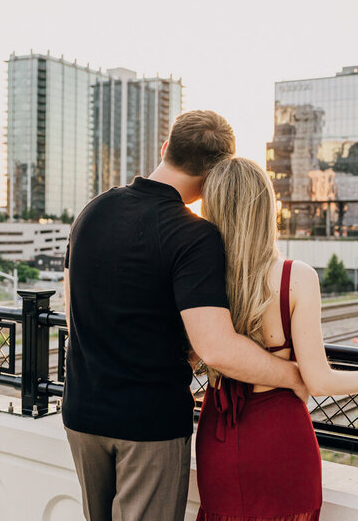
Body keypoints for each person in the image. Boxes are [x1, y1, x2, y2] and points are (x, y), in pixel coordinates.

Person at [62, 111, 308, 521]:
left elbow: (73, 312)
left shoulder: (94, 209)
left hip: (82, 412)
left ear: (165, 148)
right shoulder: (194, 235)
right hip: (148, 423)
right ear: (215, 174)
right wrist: (293, 376)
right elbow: (217, 348)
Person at [194, 157, 358, 520]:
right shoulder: (294, 278)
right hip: (281, 437)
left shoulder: (196, 277)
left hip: (218, 435)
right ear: (266, 210)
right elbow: (318, 379)